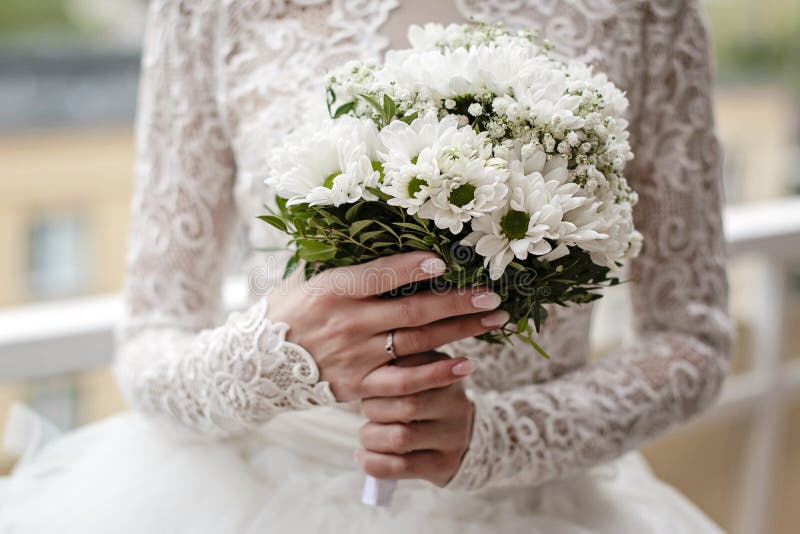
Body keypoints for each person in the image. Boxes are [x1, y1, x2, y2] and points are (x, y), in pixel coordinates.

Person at [0, 1, 731, 532]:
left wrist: (498, 438)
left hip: (534, 505)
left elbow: (693, 340)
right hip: (253, 494)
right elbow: (150, 338)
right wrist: (269, 355)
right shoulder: (206, 10)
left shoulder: (648, 12)